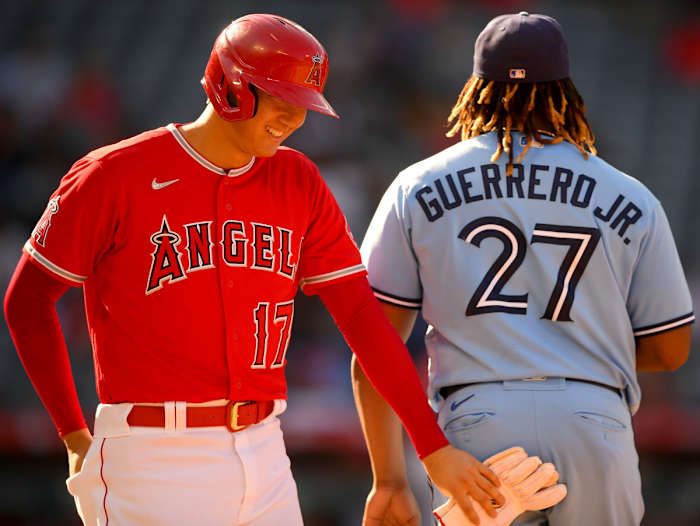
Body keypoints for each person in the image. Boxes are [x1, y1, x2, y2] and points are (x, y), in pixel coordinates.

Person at [2, 14, 505, 526]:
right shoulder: (114, 174)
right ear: (231, 86)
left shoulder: (298, 179)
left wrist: (430, 446)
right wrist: (72, 434)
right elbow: (27, 301)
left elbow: (362, 318)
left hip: (266, 451)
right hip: (153, 454)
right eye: (282, 99)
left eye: (303, 105)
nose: (294, 118)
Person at [352, 11, 694, 526]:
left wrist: (389, 480)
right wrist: (581, 347)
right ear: (565, 91)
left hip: (476, 421)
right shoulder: (630, 194)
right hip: (594, 420)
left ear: (476, 89)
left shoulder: (416, 185)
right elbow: (671, 349)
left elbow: (374, 350)